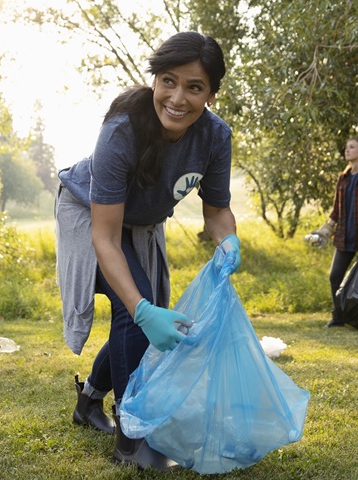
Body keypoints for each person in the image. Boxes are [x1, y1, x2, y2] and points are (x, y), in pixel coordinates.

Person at [54, 32, 240, 470]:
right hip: (87, 212)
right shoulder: (122, 130)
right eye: (168, 82)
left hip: (140, 221)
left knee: (143, 310)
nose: (178, 98)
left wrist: (227, 238)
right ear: (154, 80)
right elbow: (105, 235)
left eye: (194, 87)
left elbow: (216, 210)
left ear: (211, 93)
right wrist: (139, 308)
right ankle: (132, 439)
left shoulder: (215, 137)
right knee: (135, 309)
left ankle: (88, 402)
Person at [308, 136, 358, 327]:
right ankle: (339, 318)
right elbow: (335, 211)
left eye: (352, 147)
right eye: (346, 147)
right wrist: (324, 231)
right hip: (344, 237)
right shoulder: (343, 178)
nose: (347, 150)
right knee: (335, 277)